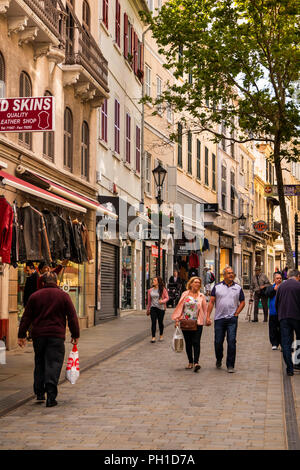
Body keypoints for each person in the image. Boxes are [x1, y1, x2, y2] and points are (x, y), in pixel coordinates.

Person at [18, 271, 80, 407]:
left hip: (38, 336)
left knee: (39, 362)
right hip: (56, 336)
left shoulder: (35, 296)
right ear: (57, 282)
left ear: (43, 282)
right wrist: (75, 334)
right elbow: (72, 317)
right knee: (54, 363)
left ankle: (39, 393)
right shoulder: (64, 296)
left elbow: (26, 317)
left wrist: (21, 335)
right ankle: (51, 396)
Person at [206, 266, 245, 373]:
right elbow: (211, 302)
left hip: (232, 319)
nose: (231, 275)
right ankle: (219, 358)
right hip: (219, 319)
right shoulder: (217, 287)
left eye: (232, 273)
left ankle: (230, 365)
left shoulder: (238, 288)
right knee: (218, 342)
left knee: (232, 341)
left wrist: (237, 313)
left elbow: (242, 302)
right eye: (229, 273)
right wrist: (208, 316)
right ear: (224, 275)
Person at [172, 276, 208, 373]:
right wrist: (177, 320)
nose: (197, 284)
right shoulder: (185, 294)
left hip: (198, 322)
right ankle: (190, 362)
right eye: (195, 282)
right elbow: (180, 307)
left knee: (196, 342)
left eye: (199, 283)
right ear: (191, 283)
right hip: (186, 321)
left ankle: (196, 362)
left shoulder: (201, 296)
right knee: (188, 343)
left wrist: (207, 319)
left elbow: (205, 309)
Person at [275, 269, 300, 376]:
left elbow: (277, 303)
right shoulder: (298, 285)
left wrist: (280, 315)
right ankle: (298, 362)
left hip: (284, 317)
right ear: (297, 276)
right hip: (297, 317)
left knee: (286, 343)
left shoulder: (281, 287)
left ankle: (289, 368)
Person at [146, 277, 169, 343]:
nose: (153, 281)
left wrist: (162, 301)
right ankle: (153, 337)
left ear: (158, 282)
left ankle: (161, 335)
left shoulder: (163, 289)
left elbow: (167, 298)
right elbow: (149, 301)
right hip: (153, 308)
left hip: (161, 308)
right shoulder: (150, 290)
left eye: (155, 280)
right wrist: (148, 309)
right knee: (153, 322)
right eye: (153, 280)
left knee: (160, 322)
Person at [265, 272, 282, 350]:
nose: (279, 280)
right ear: (274, 280)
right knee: (273, 329)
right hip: (273, 312)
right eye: (277, 278)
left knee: (282, 329)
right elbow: (267, 294)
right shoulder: (270, 287)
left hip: (282, 313)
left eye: (280, 278)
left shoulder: (284, 287)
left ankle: (282, 343)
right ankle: (274, 343)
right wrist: (274, 290)